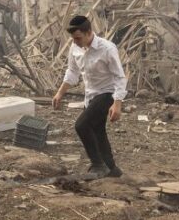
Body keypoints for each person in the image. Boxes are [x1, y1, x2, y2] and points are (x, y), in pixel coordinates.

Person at [52, 15, 127, 178]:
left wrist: (117, 103)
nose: (75, 42)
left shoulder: (107, 48)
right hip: (90, 95)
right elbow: (72, 71)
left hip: (107, 93)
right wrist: (60, 93)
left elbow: (119, 76)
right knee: (97, 130)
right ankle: (112, 169)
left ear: (88, 33)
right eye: (73, 39)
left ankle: (98, 164)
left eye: (78, 38)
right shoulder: (75, 47)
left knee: (81, 125)